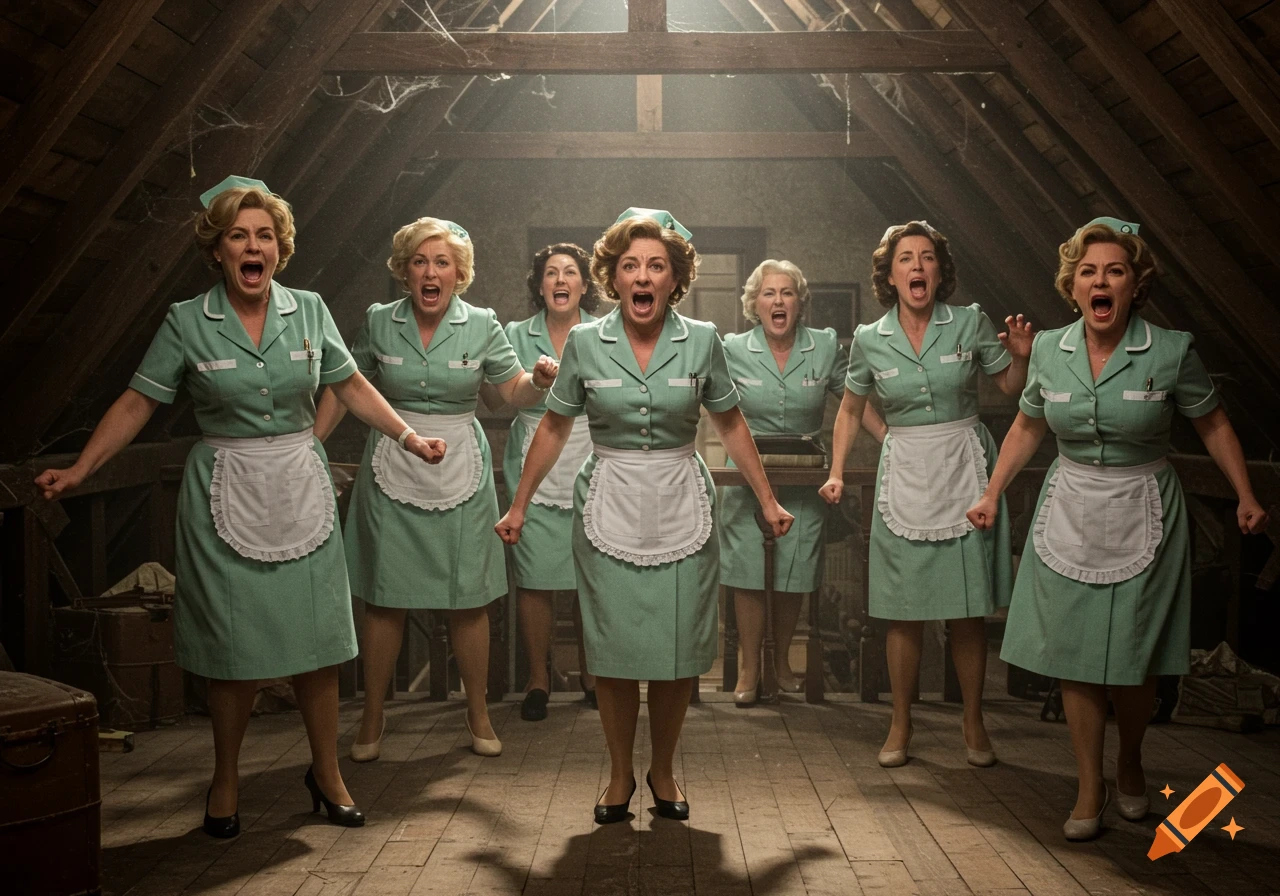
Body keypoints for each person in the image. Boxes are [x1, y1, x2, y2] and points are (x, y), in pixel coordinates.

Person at [35, 176, 445, 837]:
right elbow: (140, 401)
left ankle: (327, 772)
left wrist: (407, 434)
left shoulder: (308, 310)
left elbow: (352, 384)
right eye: (237, 236)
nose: (252, 246)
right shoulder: (187, 322)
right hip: (224, 487)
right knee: (234, 647)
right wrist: (83, 467)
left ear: (279, 249)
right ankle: (225, 779)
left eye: (263, 236)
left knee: (317, 642)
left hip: (299, 483)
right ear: (218, 250)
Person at [966, 217, 1268, 840]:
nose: (1100, 281)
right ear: (1072, 286)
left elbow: (1212, 424)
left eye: (1115, 271)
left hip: (1144, 506)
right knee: (1075, 654)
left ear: (1135, 285)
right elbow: (1027, 427)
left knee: (1134, 658)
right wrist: (992, 493)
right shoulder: (1050, 349)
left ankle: (1131, 761)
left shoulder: (1171, 350)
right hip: (1070, 504)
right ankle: (1088, 785)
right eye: (1088, 272)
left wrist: (1244, 493)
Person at [495, 208, 793, 824]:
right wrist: (520, 504)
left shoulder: (704, 340)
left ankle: (662, 770)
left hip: (683, 500)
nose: (643, 275)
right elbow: (552, 425)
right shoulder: (584, 343)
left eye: (656, 265)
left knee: (678, 649)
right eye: (630, 265)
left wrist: (766, 499)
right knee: (612, 650)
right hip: (608, 502)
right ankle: (616, 776)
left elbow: (730, 421)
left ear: (674, 277)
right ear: (612, 276)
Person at [315, 216, 556, 762]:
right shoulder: (379, 322)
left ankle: (478, 714)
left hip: (462, 470)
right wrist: (312, 441)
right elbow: (346, 385)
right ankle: (372, 718)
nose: (431, 272)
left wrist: (537, 382)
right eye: (420, 261)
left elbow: (510, 390)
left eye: (442, 263)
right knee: (385, 599)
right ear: (405, 271)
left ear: (458, 273)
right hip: (392, 461)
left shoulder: (483, 325)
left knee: (468, 598)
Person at [820, 221, 1033, 769]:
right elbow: (849, 409)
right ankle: (901, 721)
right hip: (906, 472)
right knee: (903, 610)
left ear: (940, 271)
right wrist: (838, 470)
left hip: (965, 466)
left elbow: (1009, 386)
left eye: (926, 257)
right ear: (889, 276)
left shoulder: (969, 323)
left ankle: (973, 720)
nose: (917, 266)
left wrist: (1024, 356)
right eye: (905, 259)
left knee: (965, 609)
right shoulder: (870, 338)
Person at [719, 259, 885, 705]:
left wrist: (889, 440)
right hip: (748, 480)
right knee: (750, 572)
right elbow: (711, 403)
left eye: (787, 292)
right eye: (769, 293)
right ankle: (751, 668)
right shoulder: (733, 348)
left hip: (804, 475)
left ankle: (782, 663)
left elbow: (853, 401)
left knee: (794, 570)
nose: (778, 300)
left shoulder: (825, 346)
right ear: (755, 303)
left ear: (799, 302)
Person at [500, 243, 600, 721]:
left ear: (585, 284)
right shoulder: (515, 334)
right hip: (534, 467)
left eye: (571, 273)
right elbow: (503, 398)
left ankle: (592, 674)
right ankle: (538, 679)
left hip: (592, 459)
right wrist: (535, 382)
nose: (561, 280)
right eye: (551, 273)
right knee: (536, 579)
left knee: (590, 575)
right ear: (539, 286)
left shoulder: (604, 334)